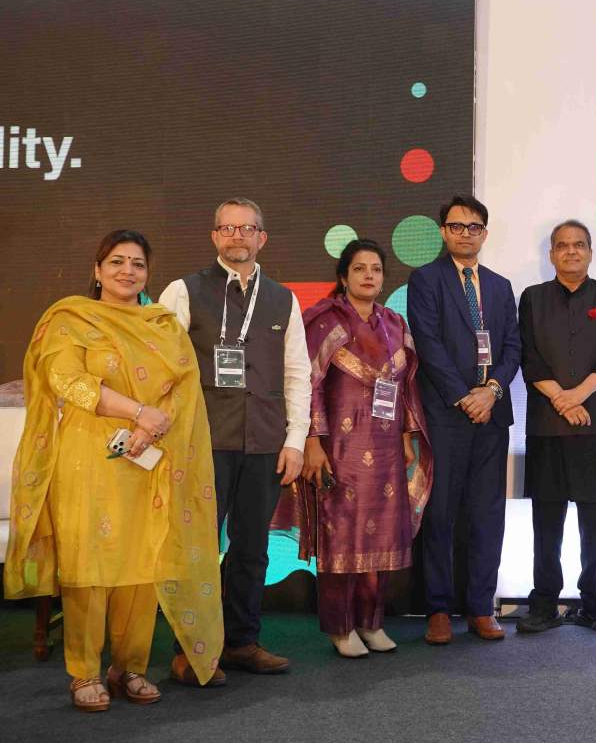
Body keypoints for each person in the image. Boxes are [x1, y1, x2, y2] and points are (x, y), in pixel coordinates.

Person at [4, 230, 222, 712]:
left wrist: (150, 425)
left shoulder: (162, 324)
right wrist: (138, 412)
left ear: (148, 272)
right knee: (90, 566)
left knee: (143, 565)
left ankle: (131, 667)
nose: (128, 271)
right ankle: (83, 672)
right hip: (88, 460)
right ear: (98, 270)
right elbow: (66, 378)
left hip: (149, 458)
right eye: (117, 262)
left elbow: (181, 388)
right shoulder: (71, 319)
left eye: (138, 264)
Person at [159, 198, 311, 677]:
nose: (237, 236)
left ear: (262, 238)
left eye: (247, 228)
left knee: (252, 548)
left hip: (265, 441)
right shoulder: (183, 291)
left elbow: (298, 374)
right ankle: (190, 648)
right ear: (214, 237)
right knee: (197, 547)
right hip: (202, 441)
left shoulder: (283, 298)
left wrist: (296, 440)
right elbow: (163, 369)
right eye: (227, 228)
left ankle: (242, 642)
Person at [271, 239, 433, 657]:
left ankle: (372, 622)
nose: (368, 276)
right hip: (337, 447)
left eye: (376, 269)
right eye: (359, 269)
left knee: (377, 539)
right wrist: (312, 440)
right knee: (341, 538)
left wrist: (405, 435)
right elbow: (308, 383)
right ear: (344, 277)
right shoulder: (324, 320)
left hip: (385, 448)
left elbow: (406, 385)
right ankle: (341, 628)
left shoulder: (395, 323)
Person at [406, 194, 521, 644]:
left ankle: (479, 607)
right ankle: (437, 608)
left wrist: (490, 392)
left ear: (485, 234)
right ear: (443, 231)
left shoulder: (499, 285)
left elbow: (513, 346)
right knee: (440, 512)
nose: (465, 234)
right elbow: (428, 344)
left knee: (487, 514)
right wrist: (462, 396)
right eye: (456, 226)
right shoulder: (426, 280)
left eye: (474, 227)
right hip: (446, 415)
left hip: (491, 415)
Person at [515, 220, 596, 635]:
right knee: (547, 518)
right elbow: (529, 359)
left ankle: (594, 602)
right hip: (548, 425)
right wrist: (561, 401)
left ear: (591, 252)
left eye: (579, 245)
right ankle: (544, 603)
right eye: (562, 246)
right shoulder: (532, 298)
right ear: (551, 255)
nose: (571, 252)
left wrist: (576, 396)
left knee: (595, 518)